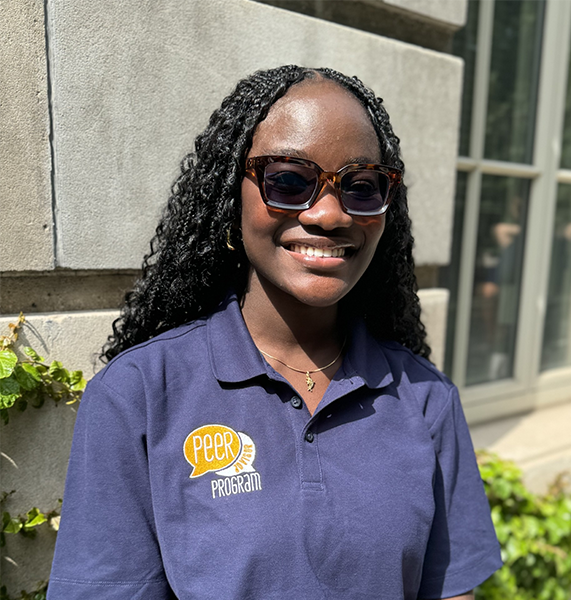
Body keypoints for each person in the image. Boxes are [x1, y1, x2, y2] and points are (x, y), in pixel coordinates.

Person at [47, 65, 501, 600]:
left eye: (360, 186)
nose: (330, 214)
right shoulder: (139, 394)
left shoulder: (426, 398)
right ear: (228, 196)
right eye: (288, 180)